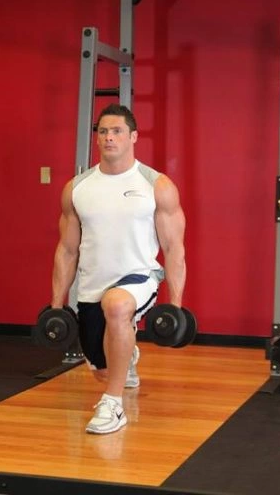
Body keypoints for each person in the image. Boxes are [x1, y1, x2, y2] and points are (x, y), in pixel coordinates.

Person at [50, 103, 186, 434]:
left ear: (133, 137)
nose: (109, 137)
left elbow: (173, 248)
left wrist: (176, 306)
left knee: (117, 305)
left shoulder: (157, 185)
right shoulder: (77, 188)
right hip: (92, 285)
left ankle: (113, 405)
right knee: (101, 368)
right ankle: (127, 357)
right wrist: (56, 306)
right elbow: (67, 250)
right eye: (103, 132)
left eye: (117, 131)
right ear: (96, 138)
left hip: (139, 277)